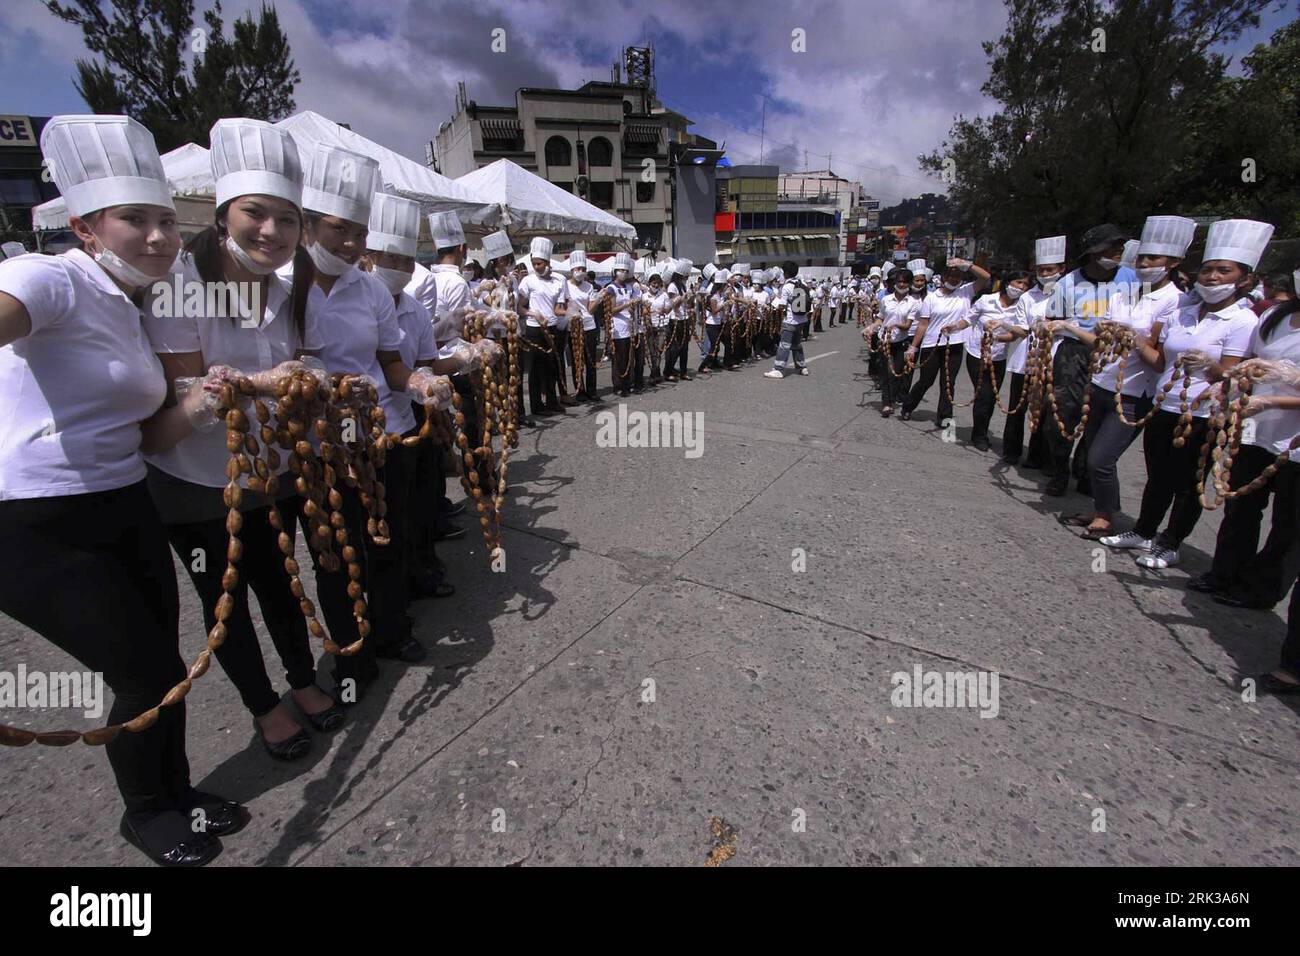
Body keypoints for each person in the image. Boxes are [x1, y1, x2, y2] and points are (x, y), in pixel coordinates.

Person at [0, 114, 241, 866]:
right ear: (84, 226)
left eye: (168, 221)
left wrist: (203, 400)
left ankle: (175, 790)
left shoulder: (136, 309)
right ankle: (144, 813)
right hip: (36, 522)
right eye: (135, 220)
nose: (160, 237)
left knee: (163, 663)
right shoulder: (51, 279)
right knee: (140, 670)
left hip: (123, 498)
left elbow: (146, 435)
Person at [143, 118, 344, 762]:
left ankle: (302, 681)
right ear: (226, 210)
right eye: (256, 213)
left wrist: (309, 380)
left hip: (270, 470)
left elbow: (301, 362)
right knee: (224, 597)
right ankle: (264, 707)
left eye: (288, 220)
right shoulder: (181, 282)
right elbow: (184, 394)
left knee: (283, 581)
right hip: (197, 478)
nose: (272, 232)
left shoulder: (290, 288)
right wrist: (261, 381)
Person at [302, 144, 432, 664]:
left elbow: (391, 363)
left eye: (360, 231)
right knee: (336, 550)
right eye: (341, 229)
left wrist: (421, 384)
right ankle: (350, 652)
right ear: (308, 223)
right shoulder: (284, 285)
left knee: (387, 534)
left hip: (381, 430)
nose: (353, 243)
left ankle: (392, 629)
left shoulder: (371, 290)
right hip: (320, 441)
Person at [1101, 219, 1272, 569]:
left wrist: (1210, 366)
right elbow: (1160, 360)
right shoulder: (1183, 313)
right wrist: (1135, 340)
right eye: (1207, 270)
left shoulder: (1242, 322)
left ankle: (1171, 541)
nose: (1211, 277)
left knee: (1189, 481)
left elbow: (1233, 373)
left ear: (1245, 279)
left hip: (1204, 412)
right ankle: (1144, 530)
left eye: (1222, 271)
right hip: (1165, 403)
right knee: (1158, 474)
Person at [1062, 216, 1193, 538]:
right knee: (1092, 453)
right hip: (1101, 382)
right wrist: (1069, 328)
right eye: (1142, 257)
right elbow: (1101, 339)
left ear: (1174, 263)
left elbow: (1159, 360)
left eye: (1154, 259)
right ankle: (1102, 508)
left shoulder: (1174, 303)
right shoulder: (1125, 293)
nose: (1145, 264)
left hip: (1134, 393)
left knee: (1100, 459)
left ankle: (1109, 517)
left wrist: (1132, 337)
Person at [364, 193, 462, 600]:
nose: (402, 269)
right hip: (361, 434)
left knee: (410, 511)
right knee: (375, 526)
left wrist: (459, 362)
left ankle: (419, 576)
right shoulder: (359, 300)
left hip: (405, 424)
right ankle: (388, 602)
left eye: (407, 260)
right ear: (369, 255)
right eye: (393, 259)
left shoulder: (415, 311)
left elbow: (422, 365)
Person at [1187, 262, 1300, 606]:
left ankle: (1260, 590)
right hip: (1254, 427)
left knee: (1288, 524)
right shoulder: (1275, 317)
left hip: (1293, 441)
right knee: (1240, 506)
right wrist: (1226, 383)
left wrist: (1273, 398)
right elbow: (1250, 361)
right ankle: (1225, 573)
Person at [1041, 223, 1139, 496]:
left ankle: (1086, 471)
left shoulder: (1132, 279)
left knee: (1097, 415)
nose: (1117, 254)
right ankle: (1060, 470)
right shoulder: (1067, 283)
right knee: (1062, 413)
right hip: (1074, 354)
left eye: (1119, 249)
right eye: (1112, 249)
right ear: (1095, 253)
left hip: (1113, 355)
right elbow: (1052, 322)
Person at [900, 257, 990, 423]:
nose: (954, 279)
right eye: (950, 276)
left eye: (957, 276)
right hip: (932, 345)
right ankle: (908, 405)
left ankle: (944, 416)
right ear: (942, 278)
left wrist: (967, 265)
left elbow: (985, 277)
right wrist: (913, 347)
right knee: (926, 380)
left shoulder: (965, 292)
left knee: (948, 382)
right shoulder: (931, 298)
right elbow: (923, 324)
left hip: (954, 345)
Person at [1003, 239, 1065, 465]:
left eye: (1050, 270)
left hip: (1054, 358)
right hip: (1026, 359)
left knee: (1046, 409)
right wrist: (1003, 327)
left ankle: (1039, 456)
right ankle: (1011, 450)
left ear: (1061, 269)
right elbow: (1021, 328)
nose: (1045, 274)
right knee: (1017, 406)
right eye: (1041, 270)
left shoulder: (1068, 294)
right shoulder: (1027, 297)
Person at [956, 270, 1032, 450]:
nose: (1021, 287)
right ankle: (979, 436)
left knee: (990, 398)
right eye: (1018, 282)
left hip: (998, 357)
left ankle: (981, 429)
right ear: (1007, 283)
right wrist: (954, 327)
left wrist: (997, 338)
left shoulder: (1021, 307)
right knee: (984, 395)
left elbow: (1016, 335)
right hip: (977, 354)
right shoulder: (986, 300)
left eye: (1025, 284)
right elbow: (968, 319)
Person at [517, 236, 568, 416]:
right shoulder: (528, 281)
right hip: (534, 328)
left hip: (551, 327)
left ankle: (552, 402)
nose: (536, 267)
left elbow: (558, 307)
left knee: (552, 366)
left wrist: (571, 314)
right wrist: (533, 313)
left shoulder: (558, 281)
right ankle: (537, 406)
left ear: (547, 263)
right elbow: (520, 307)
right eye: (534, 264)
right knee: (536, 369)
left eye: (539, 263)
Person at [871, 267, 920, 416]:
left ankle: (892, 399)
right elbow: (880, 318)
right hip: (885, 340)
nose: (902, 284)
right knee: (885, 373)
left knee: (897, 373)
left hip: (901, 340)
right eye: (899, 281)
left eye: (905, 282)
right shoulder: (886, 299)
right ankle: (886, 404)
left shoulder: (913, 302)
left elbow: (907, 326)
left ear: (909, 284)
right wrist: (872, 327)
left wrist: (896, 325)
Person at [605, 252, 644, 395]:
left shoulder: (628, 287)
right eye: (621, 270)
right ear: (615, 271)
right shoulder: (611, 288)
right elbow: (612, 310)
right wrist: (627, 304)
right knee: (619, 358)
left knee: (628, 357)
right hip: (617, 328)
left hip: (629, 327)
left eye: (625, 271)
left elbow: (635, 301)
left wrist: (635, 303)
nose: (623, 273)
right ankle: (618, 386)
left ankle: (627, 384)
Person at [565, 249, 601, 401]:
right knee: (576, 360)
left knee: (590, 360)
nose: (580, 272)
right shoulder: (565, 285)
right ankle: (580, 389)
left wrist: (598, 300)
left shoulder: (589, 286)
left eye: (583, 269)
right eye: (578, 269)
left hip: (589, 326)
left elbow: (590, 309)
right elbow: (564, 304)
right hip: (573, 327)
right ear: (572, 270)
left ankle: (592, 390)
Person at [764, 261, 810, 379]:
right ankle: (801, 367)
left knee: (784, 345)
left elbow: (782, 306)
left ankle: (779, 369)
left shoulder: (787, 287)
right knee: (797, 344)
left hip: (790, 320)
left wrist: (775, 300)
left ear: (787, 273)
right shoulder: (801, 283)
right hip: (802, 319)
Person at [662, 258, 693, 380]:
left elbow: (686, 303)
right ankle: (668, 371)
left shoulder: (683, 286)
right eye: (686, 275)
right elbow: (673, 304)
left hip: (684, 318)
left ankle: (683, 371)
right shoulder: (672, 286)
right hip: (675, 319)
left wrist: (690, 297)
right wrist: (683, 297)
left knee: (684, 347)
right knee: (674, 348)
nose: (686, 277)